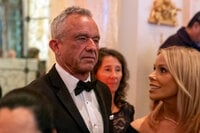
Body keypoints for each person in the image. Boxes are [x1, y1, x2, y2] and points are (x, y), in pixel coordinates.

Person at [22, 6, 112, 133]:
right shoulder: (34, 97)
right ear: (56, 46)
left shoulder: (104, 91)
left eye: (96, 40)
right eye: (82, 38)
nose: (92, 47)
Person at [128, 46, 200, 133]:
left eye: (163, 70)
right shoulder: (138, 128)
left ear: (186, 78)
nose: (151, 75)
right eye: (154, 68)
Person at [92, 47, 135, 133]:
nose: (114, 76)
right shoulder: (87, 108)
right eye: (107, 69)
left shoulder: (127, 109)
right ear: (94, 74)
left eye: (118, 70)